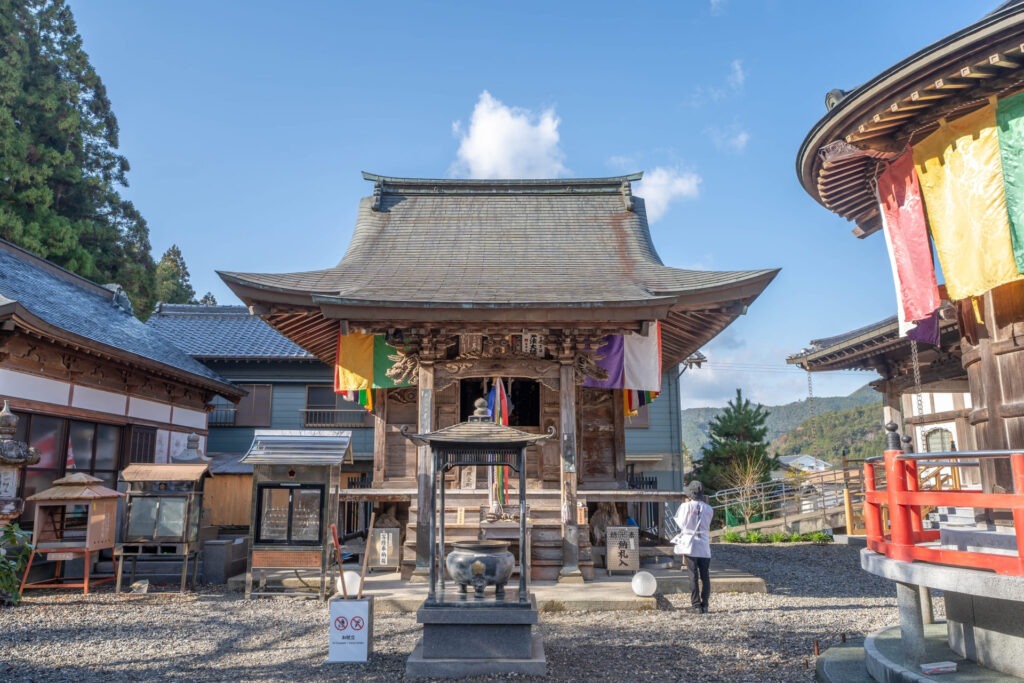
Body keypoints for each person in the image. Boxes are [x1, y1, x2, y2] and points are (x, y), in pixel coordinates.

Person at [672, 480, 713, 614]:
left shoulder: (685, 507)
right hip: (704, 544)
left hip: (690, 543)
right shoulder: (708, 508)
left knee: (693, 575)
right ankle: (705, 604)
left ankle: (696, 605)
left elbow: (681, 524)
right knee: (705, 575)